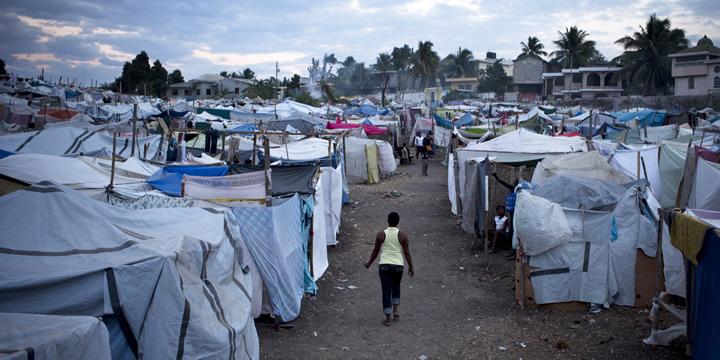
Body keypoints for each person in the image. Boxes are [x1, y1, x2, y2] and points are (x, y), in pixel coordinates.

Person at [365, 212, 414, 326]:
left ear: (388, 221)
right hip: (398, 266)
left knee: (386, 290)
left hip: (384, 266)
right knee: (396, 286)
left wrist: (369, 263)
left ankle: (387, 318)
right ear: (398, 222)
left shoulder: (381, 235)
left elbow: (375, 251)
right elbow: (406, 252)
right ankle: (396, 311)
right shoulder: (402, 235)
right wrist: (411, 266)